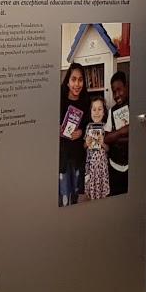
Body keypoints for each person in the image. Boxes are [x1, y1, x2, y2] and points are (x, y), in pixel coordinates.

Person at [58, 63, 88, 206]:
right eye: (74, 79)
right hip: (62, 157)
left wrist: (81, 132)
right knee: (64, 197)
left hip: (78, 157)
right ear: (68, 82)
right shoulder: (58, 100)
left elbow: (91, 126)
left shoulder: (87, 101)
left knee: (76, 196)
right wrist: (58, 130)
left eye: (80, 79)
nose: (77, 84)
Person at [103, 71, 129, 195]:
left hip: (131, 167)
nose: (117, 94)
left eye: (120, 90)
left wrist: (115, 137)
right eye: (114, 92)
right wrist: (123, 131)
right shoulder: (112, 112)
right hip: (114, 166)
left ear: (127, 87)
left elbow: (139, 136)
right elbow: (106, 138)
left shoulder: (135, 106)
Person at [82, 95, 111, 201]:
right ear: (90, 112)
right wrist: (87, 142)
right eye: (94, 109)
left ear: (104, 112)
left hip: (102, 166)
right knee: (92, 190)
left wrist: (103, 143)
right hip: (90, 165)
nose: (97, 112)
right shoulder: (88, 126)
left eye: (100, 109)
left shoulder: (106, 127)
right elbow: (84, 146)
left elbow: (108, 149)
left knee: (101, 191)